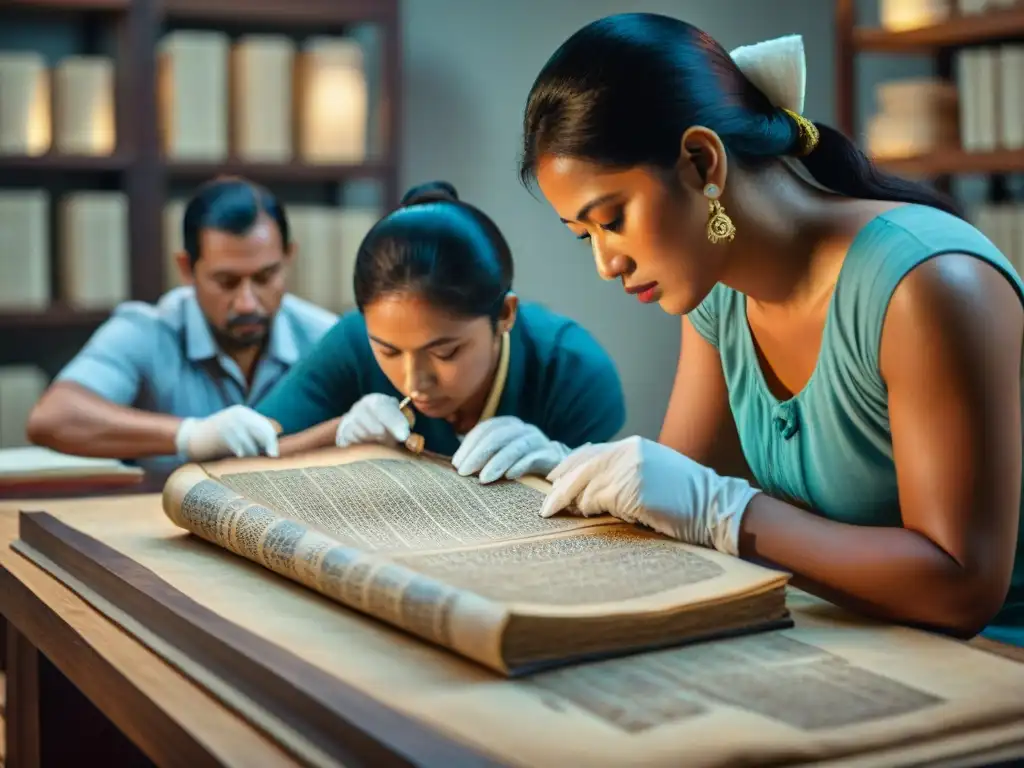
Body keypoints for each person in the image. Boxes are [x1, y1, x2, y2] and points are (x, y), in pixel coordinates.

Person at [519, 14, 1024, 646]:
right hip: (847, 643)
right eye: (583, 236)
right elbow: (677, 503)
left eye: (612, 219)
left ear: (702, 162)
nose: (606, 263)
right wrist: (562, 474)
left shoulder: (926, 287)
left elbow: (962, 589)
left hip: (992, 670)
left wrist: (730, 513)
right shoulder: (717, 294)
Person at [257, 180, 626, 484]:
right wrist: (337, 435)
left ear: (504, 315)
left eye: (445, 352)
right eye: (388, 352)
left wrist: (562, 467)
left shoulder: (572, 370)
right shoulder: (353, 341)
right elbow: (243, 460)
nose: (415, 381)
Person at [27, 177, 337, 472]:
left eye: (264, 277)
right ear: (187, 269)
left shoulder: (326, 338)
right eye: (226, 281)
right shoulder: (146, 331)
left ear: (288, 258)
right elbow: (53, 418)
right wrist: (188, 435)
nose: (246, 303)